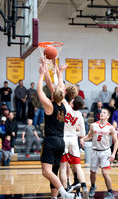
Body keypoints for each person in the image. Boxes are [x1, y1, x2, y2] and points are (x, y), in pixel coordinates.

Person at [37, 57, 75, 199]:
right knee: (53, 171)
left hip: (52, 141)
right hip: (61, 142)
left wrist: (42, 72)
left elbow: (41, 89)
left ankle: (64, 193)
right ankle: (54, 197)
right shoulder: (64, 104)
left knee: (47, 172)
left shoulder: (51, 105)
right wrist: (58, 73)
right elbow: (56, 86)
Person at [80, 108, 118, 199]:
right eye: (101, 112)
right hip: (95, 151)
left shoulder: (110, 127)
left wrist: (113, 154)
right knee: (92, 172)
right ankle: (93, 186)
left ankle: (110, 192)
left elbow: (116, 142)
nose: (102, 114)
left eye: (104, 113)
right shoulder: (93, 125)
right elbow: (89, 136)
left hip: (105, 152)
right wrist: (82, 139)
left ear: (108, 116)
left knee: (104, 172)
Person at [59, 96, 88, 199]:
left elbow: (60, 96)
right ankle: (84, 187)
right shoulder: (80, 115)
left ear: (72, 103)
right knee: (78, 167)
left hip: (63, 138)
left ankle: (66, 190)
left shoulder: (66, 108)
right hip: (73, 140)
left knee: (63, 167)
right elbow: (83, 133)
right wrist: (75, 133)